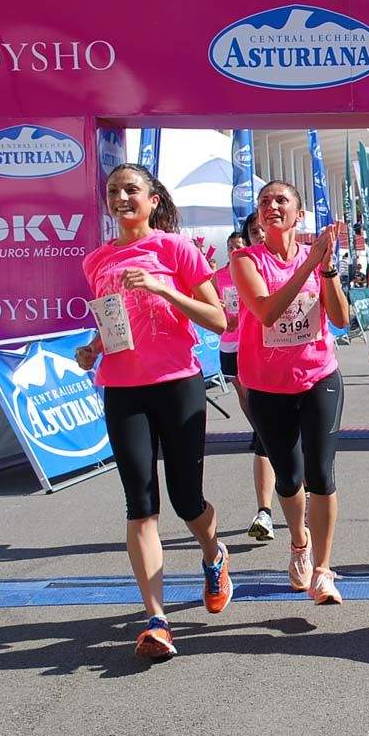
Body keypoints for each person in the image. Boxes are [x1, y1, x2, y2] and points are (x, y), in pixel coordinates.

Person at [76, 163, 230, 659]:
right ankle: (157, 620)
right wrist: (93, 348)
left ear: (153, 199)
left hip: (177, 384)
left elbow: (218, 319)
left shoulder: (175, 249)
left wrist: (164, 288)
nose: (121, 198)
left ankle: (214, 554)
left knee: (187, 500)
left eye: (131, 190)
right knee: (140, 504)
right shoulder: (97, 260)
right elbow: (115, 322)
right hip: (123, 389)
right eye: (113, 191)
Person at [231, 180, 350, 605]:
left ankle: (322, 569)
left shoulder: (316, 259)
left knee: (321, 474)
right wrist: (310, 264)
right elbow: (266, 312)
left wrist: (327, 268)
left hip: (319, 376)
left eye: (281, 200)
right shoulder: (246, 260)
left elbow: (340, 319)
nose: (272, 205)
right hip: (267, 386)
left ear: (299, 214)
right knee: (289, 477)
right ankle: (299, 542)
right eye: (265, 201)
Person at [212, 230, 278, 541]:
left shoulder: (267, 267)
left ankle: (303, 497)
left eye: (240, 244)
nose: (236, 248)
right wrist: (223, 315)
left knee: (283, 432)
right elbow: (213, 306)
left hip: (269, 351)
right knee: (247, 398)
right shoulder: (221, 275)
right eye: (232, 246)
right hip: (231, 343)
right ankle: (265, 511)